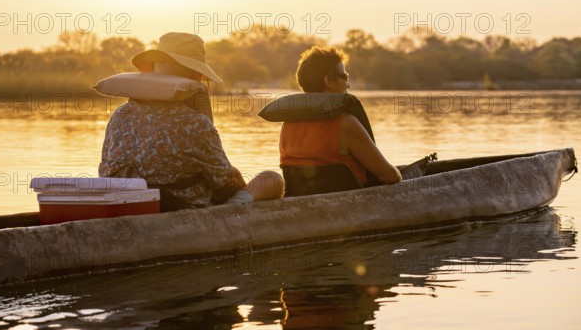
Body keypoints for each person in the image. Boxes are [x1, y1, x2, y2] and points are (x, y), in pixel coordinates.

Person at [99, 32, 284, 211]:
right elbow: (226, 184)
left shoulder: (120, 114)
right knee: (271, 179)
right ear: (196, 76)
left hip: (126, 204)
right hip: (181, 209)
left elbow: (105, 171)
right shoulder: (195, 124)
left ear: (154, 69)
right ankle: (234, 209)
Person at [279, 46, 402, 195]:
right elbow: (388, 175)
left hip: (302, 205)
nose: (348, 84)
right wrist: (397, 174)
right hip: (349, 207)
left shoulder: (287, 125)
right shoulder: (346, 123)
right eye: (344, 77)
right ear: (329, 81)